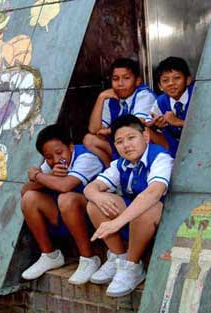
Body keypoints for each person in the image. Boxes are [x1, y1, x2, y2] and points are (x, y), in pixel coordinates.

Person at [84, 115, 174, 297]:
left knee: (148, 205)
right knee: (95, 203)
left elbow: (153, 193)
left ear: (146, 136)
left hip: (161, 222)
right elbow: (90, 187)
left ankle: (133, 266)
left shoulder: (161, 158)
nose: (126, 145)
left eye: (131, 138)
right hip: (133, 222)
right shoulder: (120, 164)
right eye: (119, 141)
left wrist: (115, 223)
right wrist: (97, 196)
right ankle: (119, 256)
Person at [20, 124, 104, 285]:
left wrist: (38, 176)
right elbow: (25, 190)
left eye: (60, 153)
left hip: (95, 219)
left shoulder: (86, 157)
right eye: (49, 157)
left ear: (71, 147)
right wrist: (48, 175)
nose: (56, 160)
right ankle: (50, 256)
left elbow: (65, 186)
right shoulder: (51, 164)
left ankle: (88, 259)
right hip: (67, 218)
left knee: (67, 198)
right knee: (29, 198)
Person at [84, 58, 156, 166]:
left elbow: (135, 124)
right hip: (123, 144)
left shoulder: (144, 95)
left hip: (144, 145)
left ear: (137, 81)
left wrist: (109, 131)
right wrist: (101, 97)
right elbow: (93, 129)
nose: (120, 83)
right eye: (115, 79)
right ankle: (113, 169)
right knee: (89, 139)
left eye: (126, 78)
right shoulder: (111, 98)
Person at [147, 56, 194, 157]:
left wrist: (178, 122)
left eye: (177, 78)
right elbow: (148, 123)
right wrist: (155, 124)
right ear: (160, 86)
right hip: (174, 149)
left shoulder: (197, 95)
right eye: (165, 80)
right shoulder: (160, 102)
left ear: (188, 80)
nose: (171, 83)